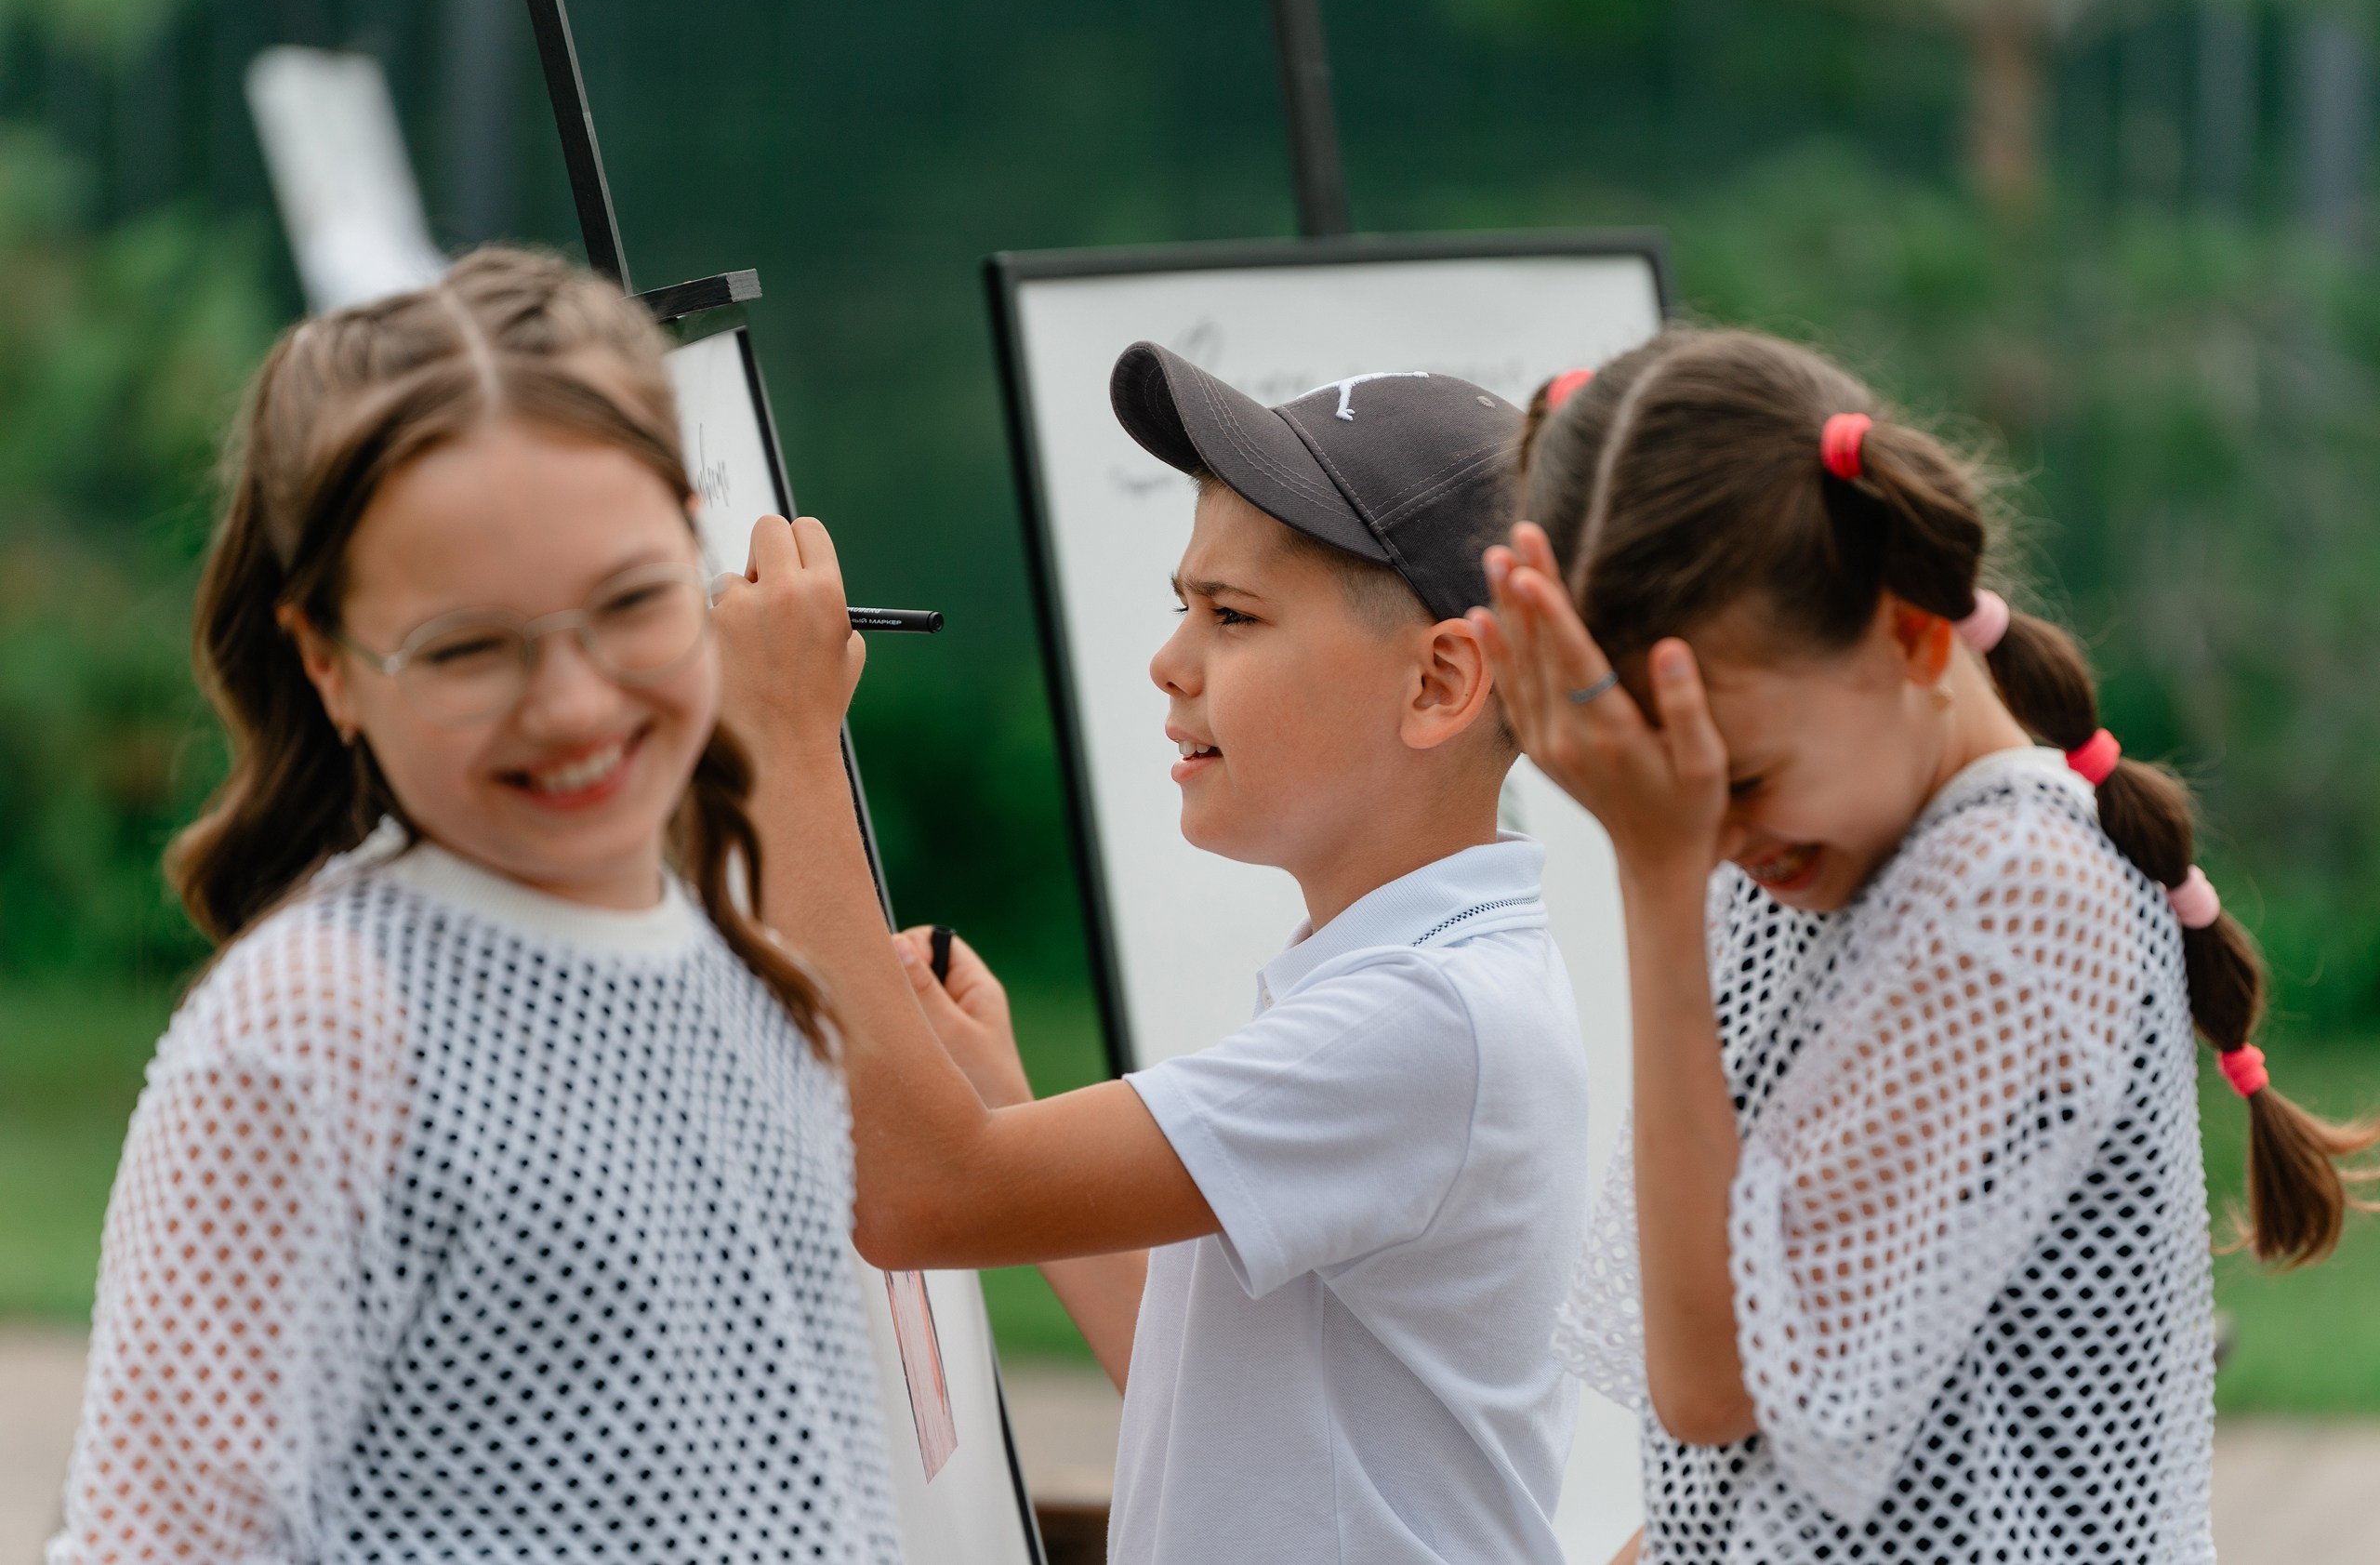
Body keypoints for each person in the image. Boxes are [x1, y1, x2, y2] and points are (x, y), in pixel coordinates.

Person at [1473, 327, 2379, 1564]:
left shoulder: (2016, 893)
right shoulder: (1801, 853)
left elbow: (1717, 1380)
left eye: (1740, 778)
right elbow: (1734, 1459)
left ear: (1907, 633)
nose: (1716, 833)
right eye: (1677, 797)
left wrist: (1653, 876)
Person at [49, 249, 901, 1565]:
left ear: (695, 543)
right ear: (329, 665)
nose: (570, 703)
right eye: (465, 646)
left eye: (626, 603)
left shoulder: (747, 962)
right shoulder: (312, 1031)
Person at [715, 343, 1593, 1564]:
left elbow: (922, 1196)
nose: (1170, 662)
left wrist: (782, 751)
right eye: (1183, 605)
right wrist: (1002, 1105)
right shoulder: (1410, 979)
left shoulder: (1430, 1014)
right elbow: (1202, 1385)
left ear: (1443, 679)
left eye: (1231, 616)